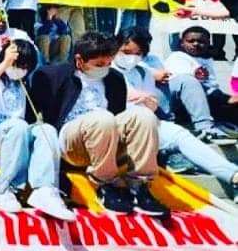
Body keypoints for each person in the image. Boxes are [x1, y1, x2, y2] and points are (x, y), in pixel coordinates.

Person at [31, 32, 168, 216]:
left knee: (143, 116)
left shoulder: (115, 79)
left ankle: (139, 184)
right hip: (72, 143)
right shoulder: (52, 75)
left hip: (105, 139)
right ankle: (106, 183)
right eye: (98, 65)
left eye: (108, 63)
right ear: (79, 60)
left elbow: (119, 116)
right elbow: (31, 115)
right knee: (102, 118)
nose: (105, 68)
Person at [113, 28, 238, 194]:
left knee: (179, 134)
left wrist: (152, 105)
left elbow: (153, 102)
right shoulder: (107, 69)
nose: (131, 58)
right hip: (120, 124)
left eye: (138, 54)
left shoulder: (142, 72)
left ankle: (233, 175)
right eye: (126, 52)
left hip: (148, 122)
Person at [0, 39, 75, 220]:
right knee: (17, 126)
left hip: (15, 136)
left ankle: (44, 189)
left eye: (25, 66)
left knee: (47, 130)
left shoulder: (23, 84)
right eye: (17, 64)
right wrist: (5, 64)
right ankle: (5, 188)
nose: (20, 69)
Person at [163, 26, 238, 126]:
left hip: (203, 101)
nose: (196, 44)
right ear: (182, 43)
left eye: (201, 41)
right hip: (178, 104)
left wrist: (228, 99)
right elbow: (192, 87)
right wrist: (225, 99)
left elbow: (211, 88)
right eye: (191, 41)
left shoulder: (206, 59)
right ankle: (204, 127)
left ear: (208, 43)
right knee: (189, 81)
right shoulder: (176, 57)